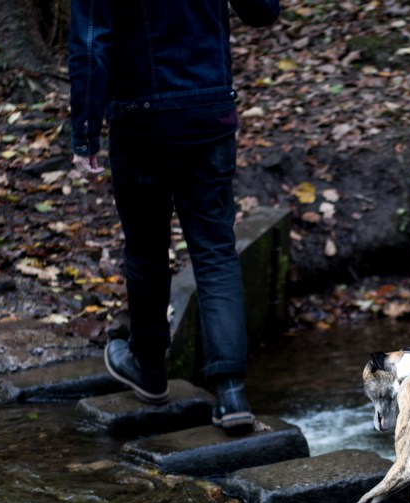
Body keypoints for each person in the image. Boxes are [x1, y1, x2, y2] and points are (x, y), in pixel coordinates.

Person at [68, 0, 281, 432]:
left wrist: (85, 132)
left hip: (141, 121)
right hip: (209, 113)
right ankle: (232, 393)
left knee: (146, 251)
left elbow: (92, 42)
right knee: (217, 253)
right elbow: (262, 9)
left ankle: (148, 367)